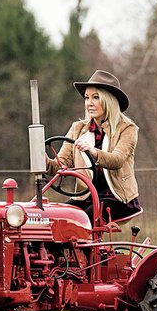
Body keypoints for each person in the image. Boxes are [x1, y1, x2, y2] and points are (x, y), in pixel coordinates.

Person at [47, 69, 141, 224]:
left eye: (96, 97)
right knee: (55, 220)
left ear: (109, 100)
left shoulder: (127, 129)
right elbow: (59, 165)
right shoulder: (78, 129)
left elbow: (117, 160)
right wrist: (41, 160)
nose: (89, 103)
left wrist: (93, 152)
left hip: (117, 198)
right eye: (86, 98)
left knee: (83, 220)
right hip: (86, 197)